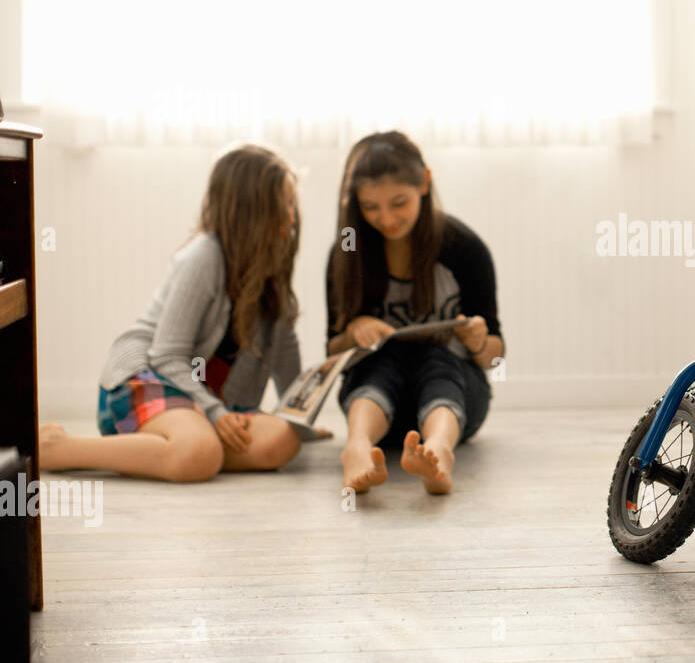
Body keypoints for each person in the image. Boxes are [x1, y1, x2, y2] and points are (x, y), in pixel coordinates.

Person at [40, 144, 305, 481]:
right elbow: (166, 356)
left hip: (205, 397)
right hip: (150, 377)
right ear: (254, 212)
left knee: (281, 440)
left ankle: (173, 448)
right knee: (200, 455)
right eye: (284, 205)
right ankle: (59, 449)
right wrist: (214, 412)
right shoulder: (203, 258)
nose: (292, 216)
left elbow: (283, 350)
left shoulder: (272, 265)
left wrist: (301, 419)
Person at [327, 131, 503, 496]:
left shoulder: (464, 248)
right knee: (380, 362)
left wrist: (478, 340)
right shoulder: (348, 251)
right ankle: (357, 446)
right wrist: (353, 331)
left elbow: (495, 358)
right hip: (377, 406)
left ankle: (438, 451)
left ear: (424, 182)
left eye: (398, 202)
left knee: (438, 360)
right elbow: (335, 356)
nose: (387, 219)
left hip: (454, 401)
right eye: (371, 207)